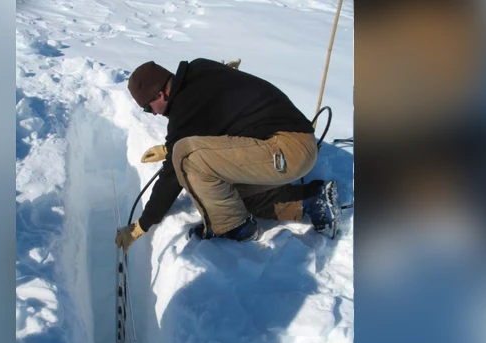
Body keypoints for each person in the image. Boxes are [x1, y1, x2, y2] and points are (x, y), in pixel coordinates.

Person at [115, 58, 339, 252]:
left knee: (185, 157)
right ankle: (310, 201)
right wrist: (168, 148)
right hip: (289, 142)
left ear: (161, 94)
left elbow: (174, 173)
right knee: (224, 197)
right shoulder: (198, 71)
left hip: (286, 150)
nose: (152, 113)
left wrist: (141, 226)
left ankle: (233, 228)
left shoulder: (186, 106)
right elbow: (211, 123)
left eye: (148, 107)